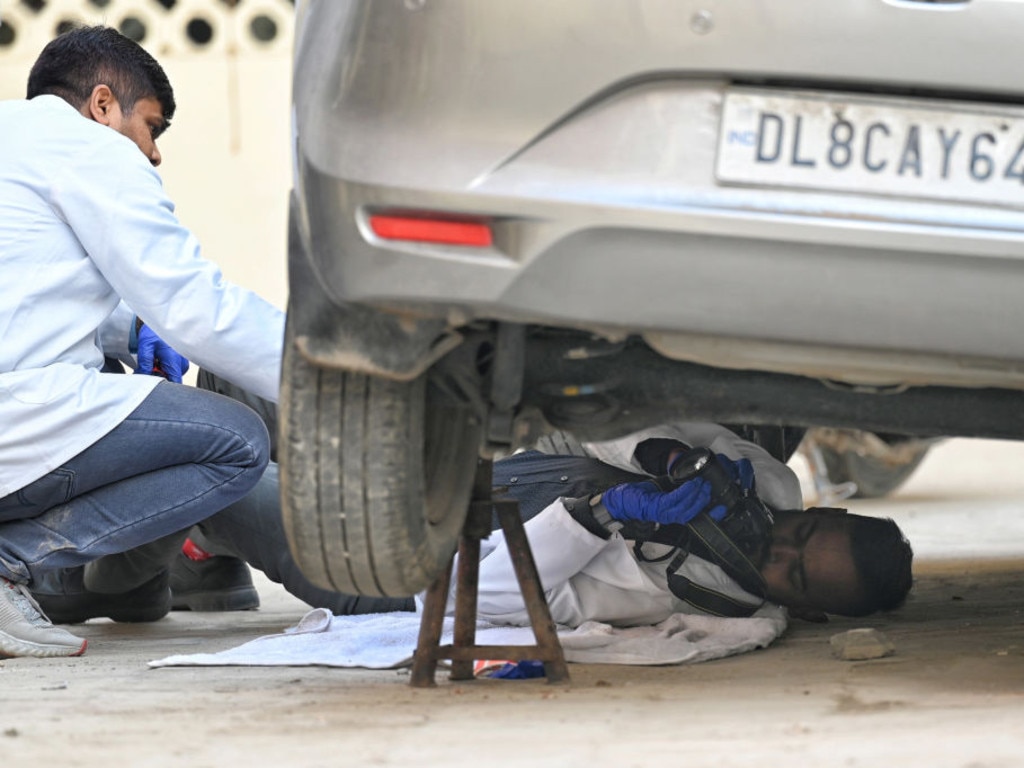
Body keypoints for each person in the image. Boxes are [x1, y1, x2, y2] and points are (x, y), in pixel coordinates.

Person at [0, 24, 404, 659]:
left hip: (21, 421)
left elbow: (22, 291)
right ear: (103, 104)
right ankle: (11, 558)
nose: (154, 154)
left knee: (146, 385)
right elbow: (198, 308)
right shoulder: (88, 150)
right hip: (17, 426)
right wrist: (335, 374)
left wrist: (128, 327)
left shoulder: (14, 141)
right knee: (236, 440)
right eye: (151, 127)